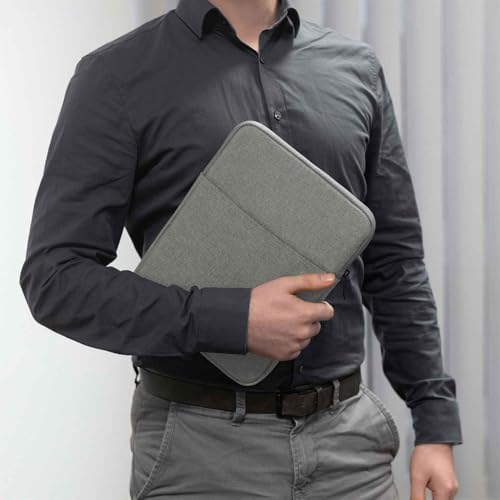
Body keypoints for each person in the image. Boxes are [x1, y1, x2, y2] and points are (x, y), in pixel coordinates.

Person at [19, 0, 463, 498]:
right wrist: (233, 319)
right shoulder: (115, 75)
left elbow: (395, 261)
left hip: (351, 447)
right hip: (200, 452)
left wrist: (434, 420)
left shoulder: (357, 68)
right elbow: (55, 278)